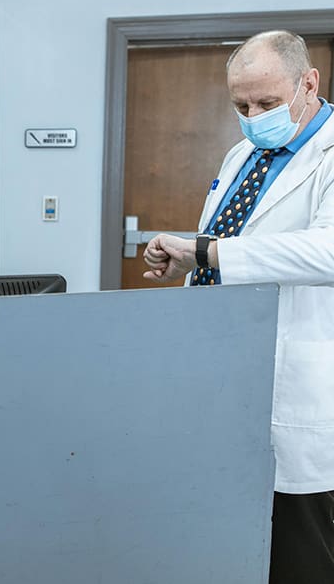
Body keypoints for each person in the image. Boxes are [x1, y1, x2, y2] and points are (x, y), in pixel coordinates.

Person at [142, 30, 334, 584]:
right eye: (241, 106)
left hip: (293, 385)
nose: (253, 117)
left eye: (268, 104)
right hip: (219, 379)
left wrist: (209, 250)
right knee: (226, 544)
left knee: (299, 555)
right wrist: (190, 259)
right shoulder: (242, 153)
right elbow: (240, 243)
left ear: (309, 83)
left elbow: (324, 251)